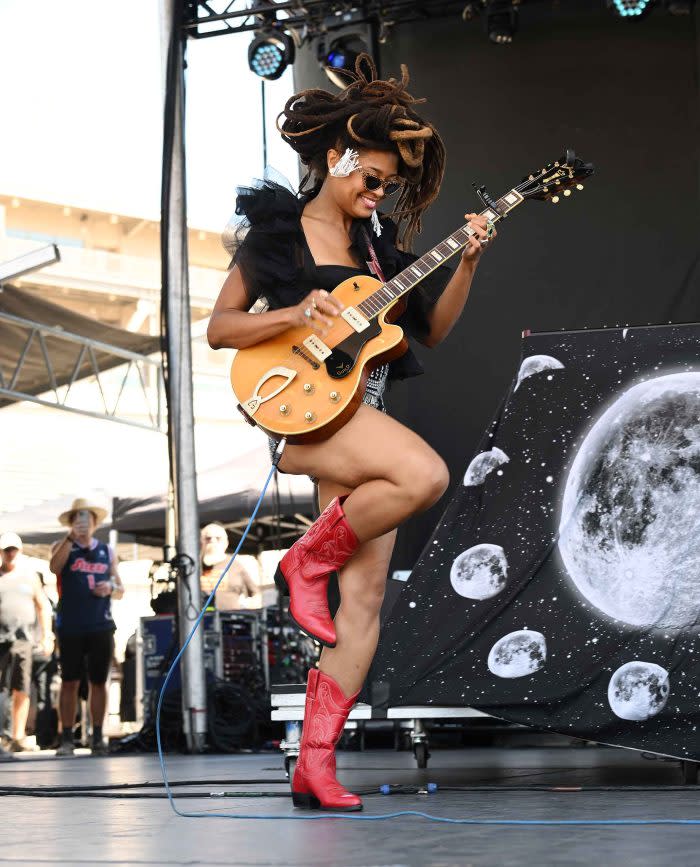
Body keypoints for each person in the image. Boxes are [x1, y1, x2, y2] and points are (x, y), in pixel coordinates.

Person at [207, 56, 496, 811]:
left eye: (387, 185)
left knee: (361, 607)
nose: (378, 192)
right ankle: (305, 557)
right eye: (370, 177)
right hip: (309, 417)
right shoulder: (279, 237)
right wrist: (295, 313)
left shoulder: (377, 254)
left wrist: (466, 262)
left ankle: (316, 765)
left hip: (365, 416)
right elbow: (220, 326)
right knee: (426, 476)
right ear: (335, 160)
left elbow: (428, 331)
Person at [48, 498, 124, 756]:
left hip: (100, 624)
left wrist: (110, 588)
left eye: (86, 519)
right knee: (69, 681)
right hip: (70, 625)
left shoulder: (106, 550)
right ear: (71, 523)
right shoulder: (62, 546)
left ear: (94, 523)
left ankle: (98, 735)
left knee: (99, 681)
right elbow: (54, 568)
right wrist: (70, 539)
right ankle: (67, 736)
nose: (82, 523)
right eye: (77, 519)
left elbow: (120, 588)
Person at [0, 532, 53, 752]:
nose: (10, 553)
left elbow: (43, 606)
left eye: (14, 549)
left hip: (24, 640)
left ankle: (17, 735)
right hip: (1, 638)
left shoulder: (29, 576)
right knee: (2, 689)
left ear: (19, 551)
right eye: (6, 550)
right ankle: (2, 735)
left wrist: (47, 635)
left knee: (21, 688)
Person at [200, 523, 260, 610]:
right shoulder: (193, 567)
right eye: (208, 538)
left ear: (226, 543)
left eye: (218, 538)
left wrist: (249, 607)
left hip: (231, 620)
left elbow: (256, 593)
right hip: (200, 621)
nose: (212, 541)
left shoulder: (236, 565)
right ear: (201, 542)